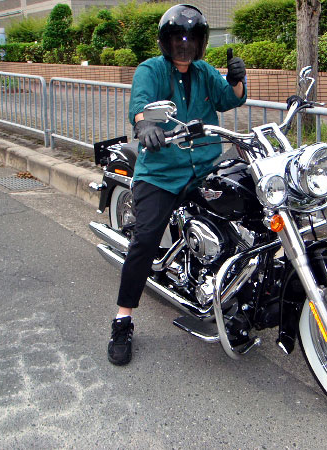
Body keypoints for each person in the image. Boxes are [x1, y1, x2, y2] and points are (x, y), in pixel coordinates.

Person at [108, 4, 247, 365]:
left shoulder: (204, 72)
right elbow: (140, 105)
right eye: (177, 38)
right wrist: (144, 125)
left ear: (201, 43)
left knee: (242, 215)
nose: (184, 45)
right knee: (145, 240)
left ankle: (227, 293)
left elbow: (228, 99)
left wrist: (236, 79)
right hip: (162, 174)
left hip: (204, 168)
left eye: (191, 39)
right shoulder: (151, 70)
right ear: (166, 41)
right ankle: (123, 320)